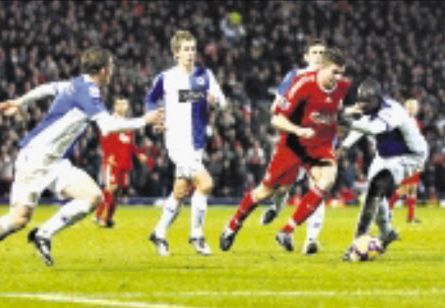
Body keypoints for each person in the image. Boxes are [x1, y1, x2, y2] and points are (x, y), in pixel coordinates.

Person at [0, 47, 163, 271]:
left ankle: (43, 234)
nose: (111, 71)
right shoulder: (89, 90)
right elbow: (107, 126)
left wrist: (20, 101)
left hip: (56, 162)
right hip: (36, 158)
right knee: (18, 220)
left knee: (93, 197)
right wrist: (144, 120)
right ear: (103, 70)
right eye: (110, 67)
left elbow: (48, 88)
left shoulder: (76, 83)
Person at [220, 47, 351, 252]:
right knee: (265, 192)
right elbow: (276, 119)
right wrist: (299, 130)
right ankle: (233, 225)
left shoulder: (342, 86)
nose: (338, 77)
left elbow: (337, 112)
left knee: (326, 180)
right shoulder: (303, 84)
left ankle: (288, 230)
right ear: (323, 68)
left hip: (320, 146)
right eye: (334, 72)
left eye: (341, 72)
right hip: (293, 144)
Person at [145, 30, 227, 256]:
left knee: (180, 192)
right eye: (186, 50)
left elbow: (222, 101)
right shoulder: (166, 78)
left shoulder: (205, 75)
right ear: (176, 54)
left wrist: (214, 101)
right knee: (206, 184)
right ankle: (197, 235)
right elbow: (150, 99)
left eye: (193, 49)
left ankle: (159, 232)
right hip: (177, 142)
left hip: (197, 142)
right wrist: (157, 118)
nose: (191, 53)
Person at [339, 79, 428, 260]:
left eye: (367, 101)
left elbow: (372, 128)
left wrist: (344, 119)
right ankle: (386, 232)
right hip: (385, 155)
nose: (363, 105)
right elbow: (361, 125)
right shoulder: (371, 107)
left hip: (409, 155)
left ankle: (359, 241)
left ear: (378, 99)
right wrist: (344, 146)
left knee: (376, 188)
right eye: (361, 101)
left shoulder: (393, 111)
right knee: (375, 196)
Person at [260, 38, 328, 255]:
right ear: (306, 56)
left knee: (318, 185)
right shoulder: (294, 77)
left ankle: (310, 240)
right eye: (314, 52)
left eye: (322, 53)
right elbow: (276, 107)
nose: (318, 56)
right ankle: (277, 207)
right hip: (294, 139)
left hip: (319, 141)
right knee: (282, 187)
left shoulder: (331, 79)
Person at [94, 97, 147, 228]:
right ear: (115, 105)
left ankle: (109, 218)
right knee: (111, 188)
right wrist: (108, 156)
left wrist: (138, 153)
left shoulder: (128, 124)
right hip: (113, 160)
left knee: (117, 191)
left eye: (125, 104)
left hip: (124, 162)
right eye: (120, 104)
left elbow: (129, 143)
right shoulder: (110, 121)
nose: (123, 106)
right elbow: (104, 140)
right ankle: (99, 215)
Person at [388, 99, 423, 224]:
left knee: (413, 188)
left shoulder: (414, 122)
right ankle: (387, 209)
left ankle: (411, 217)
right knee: (404, 188)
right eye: (412, 107)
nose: (415, 109)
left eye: (415, 107)